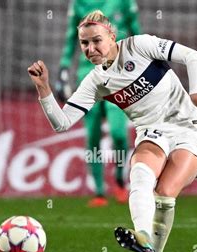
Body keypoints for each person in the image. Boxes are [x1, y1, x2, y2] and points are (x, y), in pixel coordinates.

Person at [28, 10, 197, 252]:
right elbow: (62, 123)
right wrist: (44, 89)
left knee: (165, 193)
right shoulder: (96, 81)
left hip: (189, 128)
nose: (91, 49)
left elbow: (194, 57)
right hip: (152, 133)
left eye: (97, 41)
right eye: (84, 44)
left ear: (112, 36)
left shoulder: (140, 45)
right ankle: (143, 236)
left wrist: (196, 94)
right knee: (141, 174)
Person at [56, 0, 141, 207]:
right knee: (93, 136)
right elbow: (70, 39)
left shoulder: (123, 2)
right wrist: (64, 68)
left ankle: (120, 179)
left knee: (119, 135)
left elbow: (136, 31)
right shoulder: (78, 4)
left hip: (119, 75)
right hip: (88, 75)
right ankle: (100, 192)